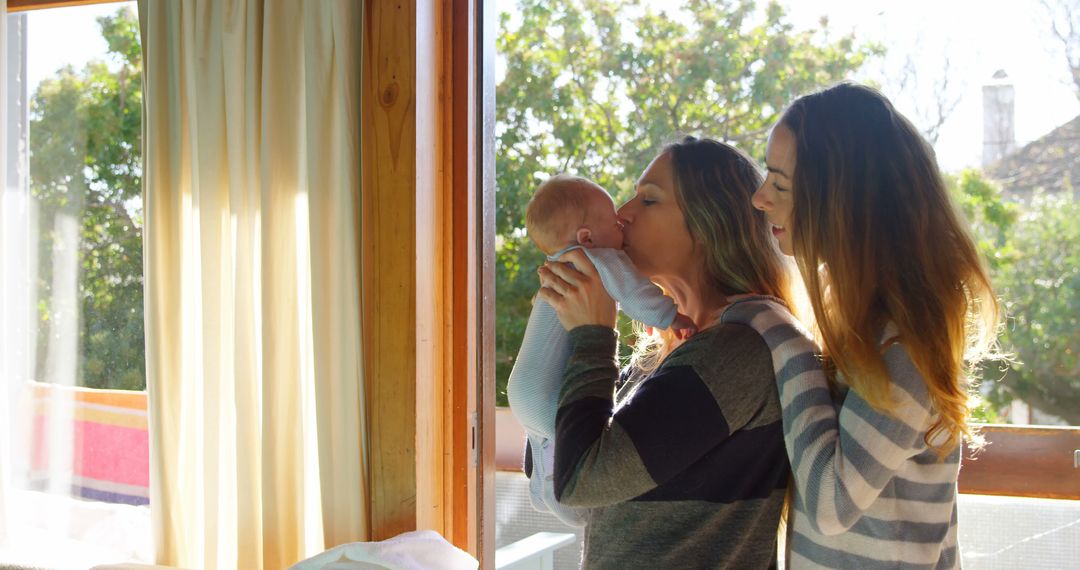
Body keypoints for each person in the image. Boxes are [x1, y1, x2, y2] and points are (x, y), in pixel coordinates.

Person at [746, 82, 1000, 568]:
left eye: (779, 184)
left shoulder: (904, 345)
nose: (760, 198)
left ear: (843, 203)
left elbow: (831, 504)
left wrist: (782, 338)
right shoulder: (855, 323)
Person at [537, 137, 793, 568]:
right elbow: (581, 501)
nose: (622, 213)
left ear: (710, 221)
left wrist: (591, 335)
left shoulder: (736, 351)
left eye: (649, 199)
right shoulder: (664, 351)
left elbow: (580, 480)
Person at [507, 174, 695, 526]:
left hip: (524, 388)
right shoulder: (598, 258)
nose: (622, 221)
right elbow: (633, 291)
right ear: (587, 237)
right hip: (549, 395)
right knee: (566, 472)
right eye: (613, 221)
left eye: (648, 200)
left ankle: (542, 489)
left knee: (547, 446)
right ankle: (557, 499)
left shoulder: (560, 267)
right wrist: (670, 316)